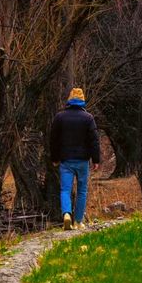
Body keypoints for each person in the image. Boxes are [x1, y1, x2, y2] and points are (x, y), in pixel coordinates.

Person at [49, 86, 101, 230]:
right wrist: (96, 160)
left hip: (66, 160)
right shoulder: (88, 118)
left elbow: (53, 140)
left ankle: (66, 214)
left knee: (65, 189)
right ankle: (78, 221)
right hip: (83, 160)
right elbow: (94, 140)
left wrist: (54, 157)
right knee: (82, 190)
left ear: (69, 100)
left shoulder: (60, 117)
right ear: (83, 101)